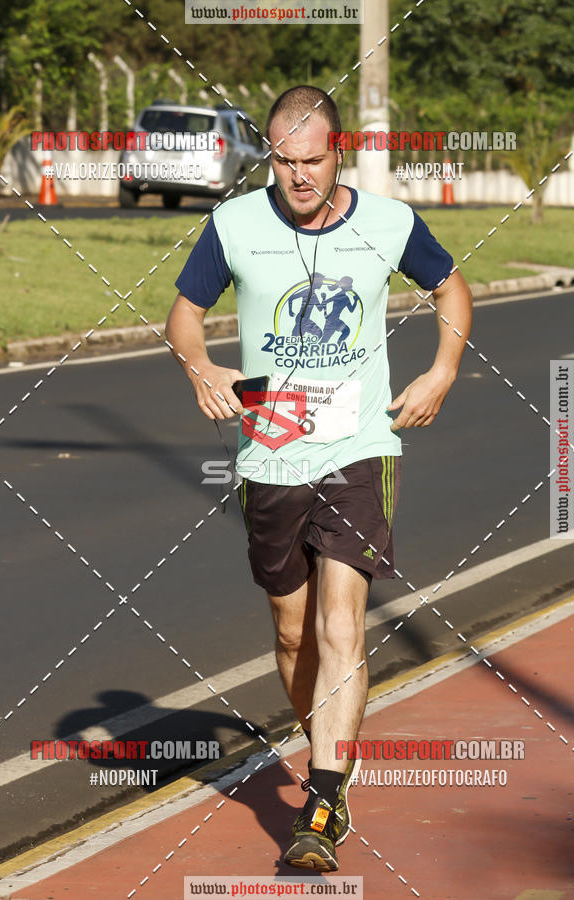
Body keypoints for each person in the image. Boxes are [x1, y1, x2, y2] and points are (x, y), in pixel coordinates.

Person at [166, 84, 472, 872]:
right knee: (293, 630)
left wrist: (442, 371)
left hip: (358, 446)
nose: (299, 177)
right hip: (270, 456)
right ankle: (331, 751)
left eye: (313, 160)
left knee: (342, 623)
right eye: (284, 161)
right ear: (270, 155)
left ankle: (324, 799)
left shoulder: (388, 223)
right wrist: (199, 367)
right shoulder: (233, 225)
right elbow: (184, 314)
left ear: (339, 153)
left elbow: (450, 287)